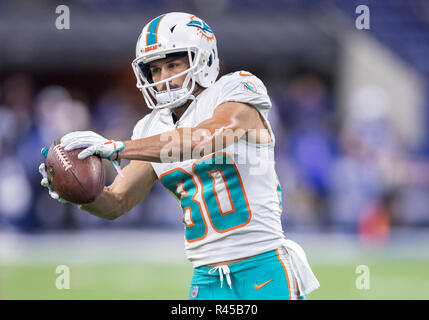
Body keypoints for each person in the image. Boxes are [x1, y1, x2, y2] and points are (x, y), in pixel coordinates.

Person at [39, 12, 319, 300]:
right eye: (155, 70)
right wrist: (77, 191)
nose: (163, 79)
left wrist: (119, 147)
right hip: (205, 279)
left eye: (173, 64)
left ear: (204, 59)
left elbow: (204, 138)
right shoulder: (150, 127)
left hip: (262, 267)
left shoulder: (236, 89)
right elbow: (117, 201)